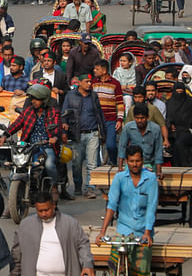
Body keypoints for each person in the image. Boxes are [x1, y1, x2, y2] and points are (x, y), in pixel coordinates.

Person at [95, 145, 159, 276]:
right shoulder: (119, 178)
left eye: (138, 161)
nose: (135, 164)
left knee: (142, 266)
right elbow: (111, 206)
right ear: (126, 162)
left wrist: (147, 233)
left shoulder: (151, 179)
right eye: (131, 161)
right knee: (114, 264)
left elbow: (151, 208)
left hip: (143, 230)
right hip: (124, 230)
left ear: (142, 161)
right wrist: (102, 232)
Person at [10, 191, 95, 276]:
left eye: (46, 210)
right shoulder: (26, 225)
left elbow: (83, 245)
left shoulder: (70, 224)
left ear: (53, 205)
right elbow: (16, 254)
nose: (44, 214)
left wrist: (87, 264)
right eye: (40, 211)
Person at [0, 84, 61, 185]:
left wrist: (54, 137)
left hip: (46, 145)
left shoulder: (53, 112)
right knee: (17, 166)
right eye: (32, 99)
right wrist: (5, 135)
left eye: (37, 99)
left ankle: (53, 186)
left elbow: (57, 128)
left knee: (49, 165)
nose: (33, 101)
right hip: (29, 146)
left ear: (44, 100)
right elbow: (17, 124)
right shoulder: (28, 111)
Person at [61, 74, 104, 199]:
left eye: (90, 81)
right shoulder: (70, 96)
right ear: (79, 82)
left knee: (92, 164)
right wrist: (64, 126)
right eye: (87, 81)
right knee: (77, 163)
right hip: (76, 134)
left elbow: (99, 115)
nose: (89, 84)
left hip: (93, 133)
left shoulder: (94, 96)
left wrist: (103, 133)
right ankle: (78, 186)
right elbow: (64, 114)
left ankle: (89, 188)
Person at [118, 103, 164, 176]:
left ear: (147, 117)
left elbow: (158, 151)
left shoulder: (156, 129)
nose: (140, 120)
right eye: (137, 118)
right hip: (133, 163)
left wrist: (158, 171)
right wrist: (120, 168)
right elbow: (122, 147)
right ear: (134, 117)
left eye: (142, 118)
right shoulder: (128, 127)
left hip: (149, 163)